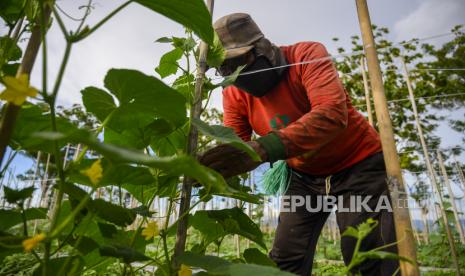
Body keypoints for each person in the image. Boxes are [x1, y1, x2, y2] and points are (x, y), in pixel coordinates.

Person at [199, 13, 400, 276]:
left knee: (365, 254)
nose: (234, 74)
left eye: (240, 61)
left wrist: (263, 149)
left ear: (262, 48)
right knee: (285, 258)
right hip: (305, 177)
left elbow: (332, 114)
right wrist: (207, 167)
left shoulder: (306, 55)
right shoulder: (234, 93)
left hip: (359, 164)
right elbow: (236, 145)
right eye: (225, 68)